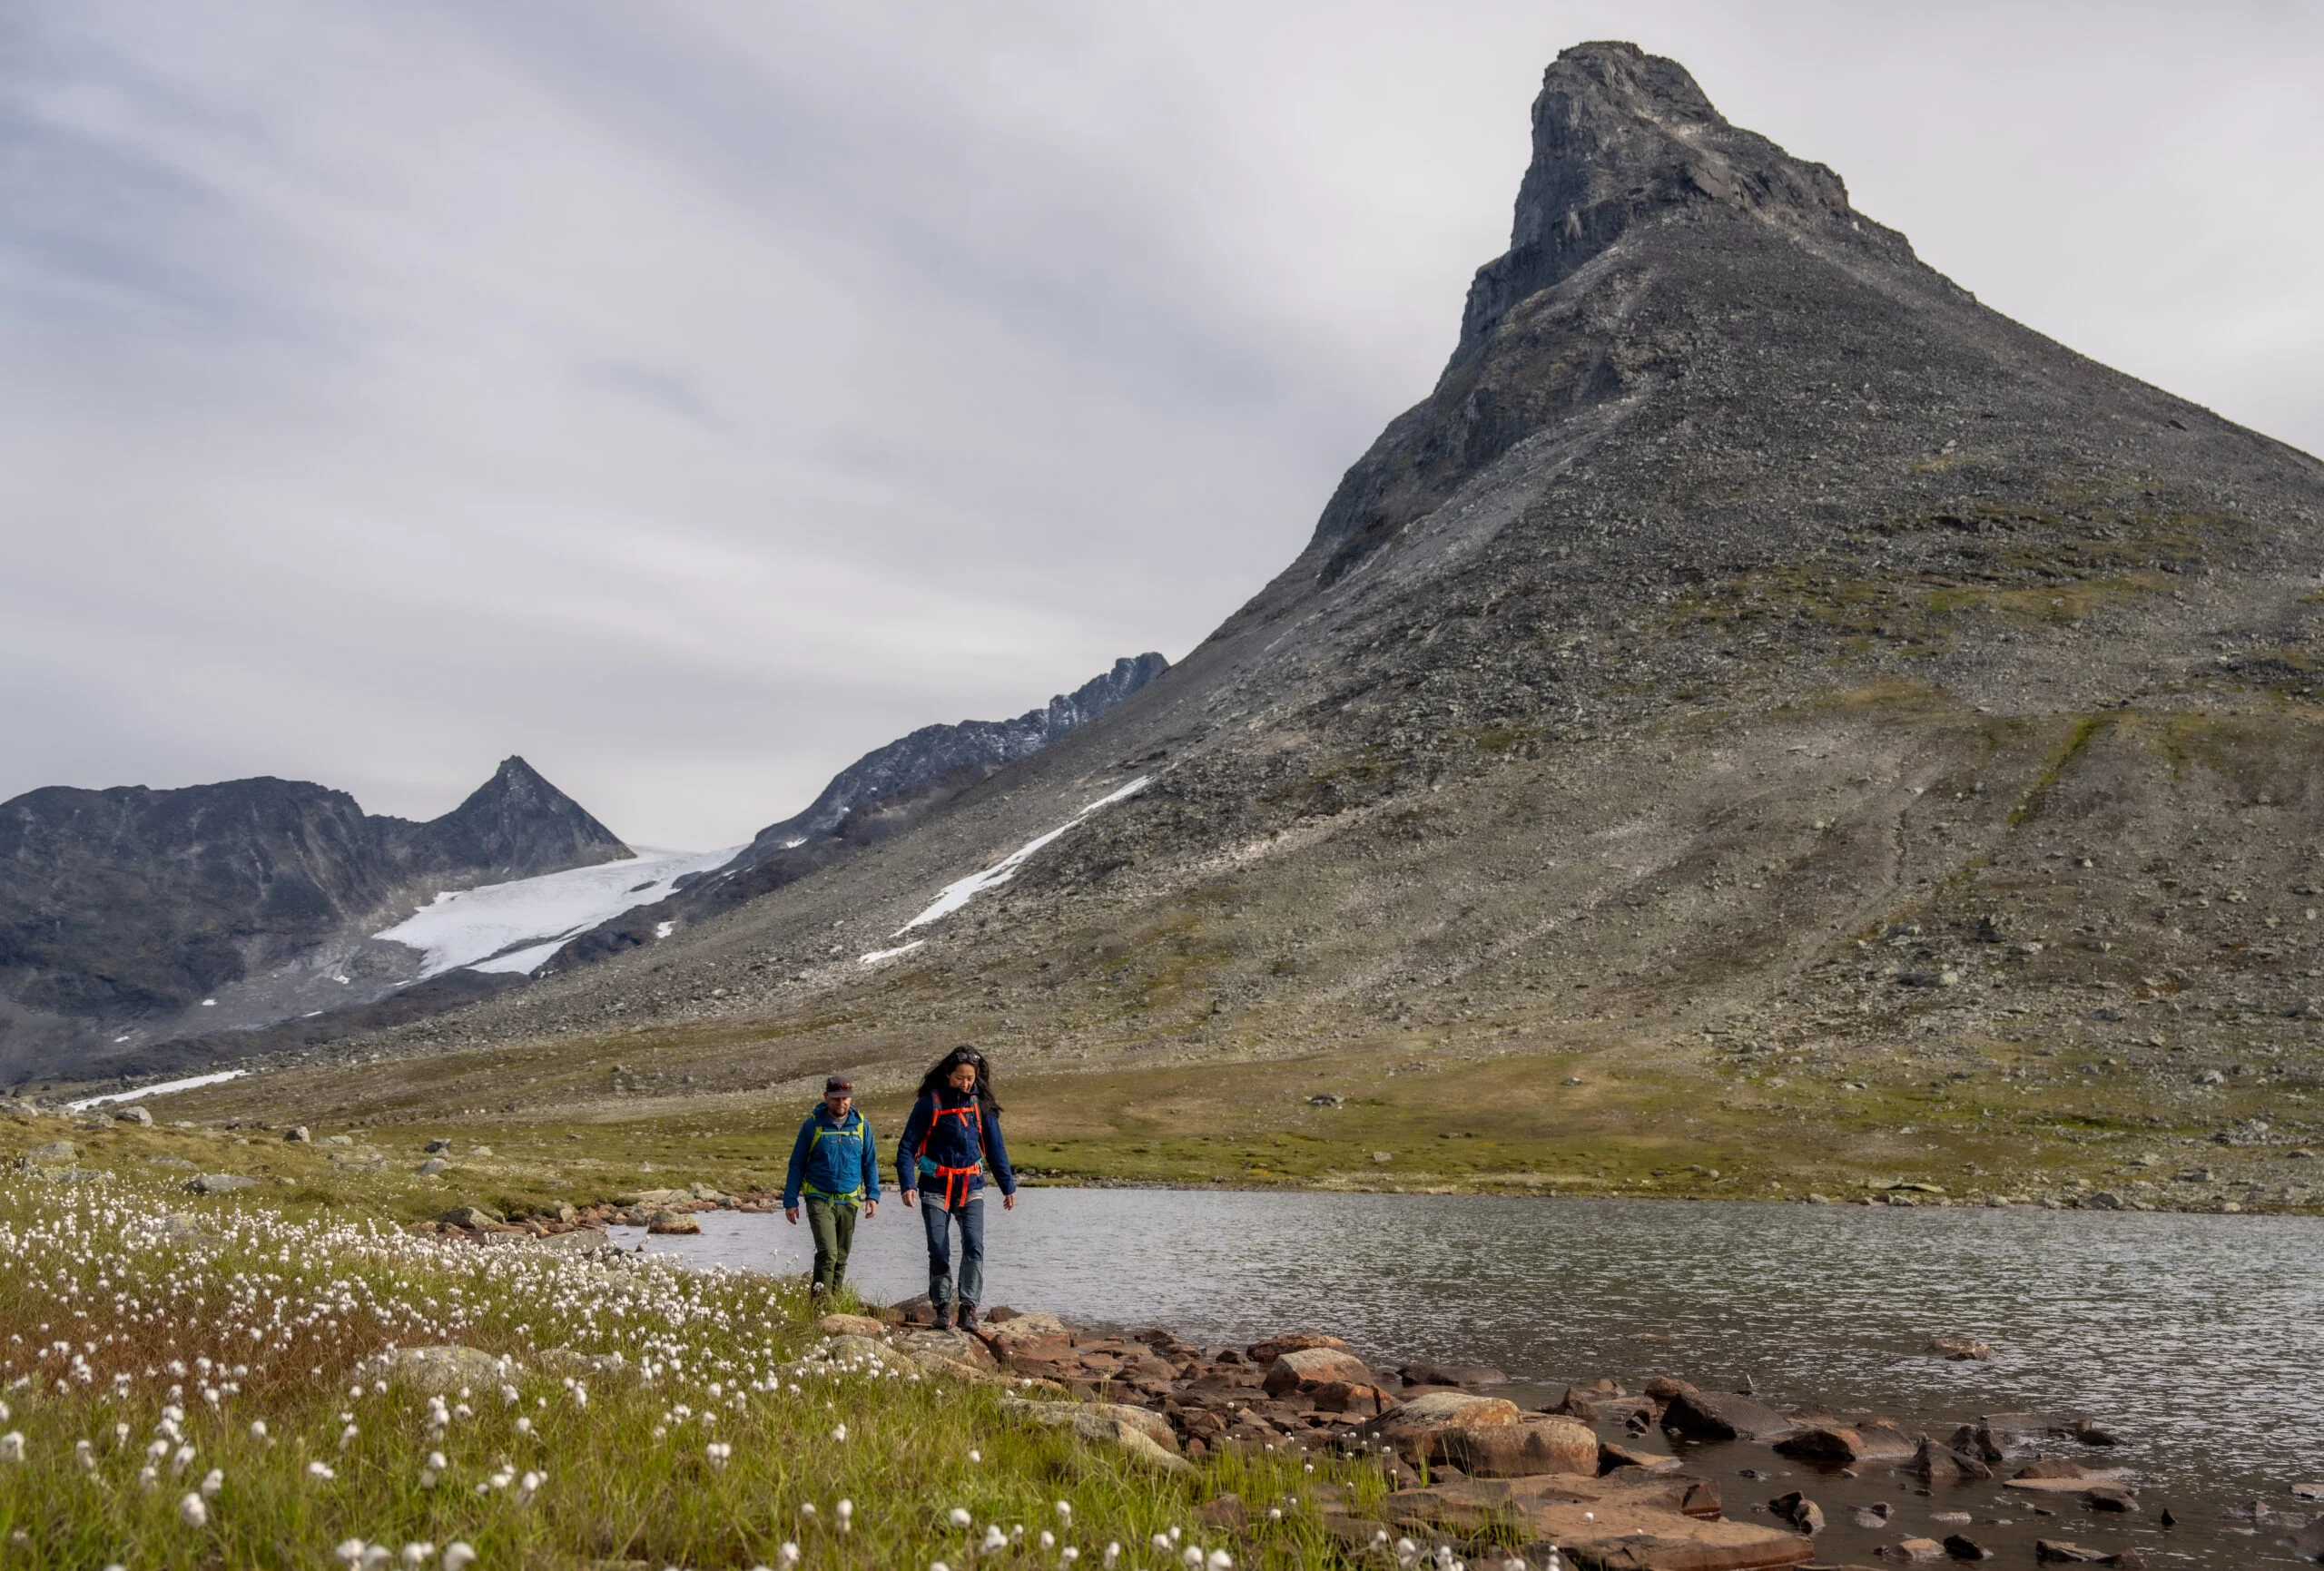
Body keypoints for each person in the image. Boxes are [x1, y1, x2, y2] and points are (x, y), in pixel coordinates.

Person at [896, 1045, 1016, 1330]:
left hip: (971, 1186)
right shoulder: (929, 1103)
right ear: (949, 1074)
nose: (964, 1083)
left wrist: (1007, 1186)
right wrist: (907, 1184)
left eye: (970, 1079)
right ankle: (941, 1308)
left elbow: (995, 1149)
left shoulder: (980, 1106)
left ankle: (969, 1308)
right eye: (960, 1077)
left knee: (974, 1245)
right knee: (938, 1248)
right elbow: (907, 1146)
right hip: (935, 1187)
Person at [783, 1075, 880, 1301]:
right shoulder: (812, 1126)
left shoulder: (861, 1126)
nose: (841, 1103)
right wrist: (790, 1200)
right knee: (828, 1253)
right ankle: (819, 1309)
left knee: (841, 1256)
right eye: (836, 1098)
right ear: (826, 1097)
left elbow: (870, 1162)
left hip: (850, 1200)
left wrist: (873, 1195)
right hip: (818, 1197)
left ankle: (834, 1304)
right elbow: (797, 1163)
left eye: (846, 1098)